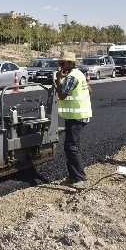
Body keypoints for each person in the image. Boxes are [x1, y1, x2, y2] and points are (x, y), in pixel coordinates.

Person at [55, 51, 92, 190]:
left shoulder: (71, 77)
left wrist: (59, 80)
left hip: (77, 117)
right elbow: (90, 90)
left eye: (62, 63)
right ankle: (73, 177)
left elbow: (63, 95)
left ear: (71, 63)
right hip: (76, 116)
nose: (60, 66)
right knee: (72, 146)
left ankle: (81, 178)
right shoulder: (79, 74)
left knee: (71, 146)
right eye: (59, 64)